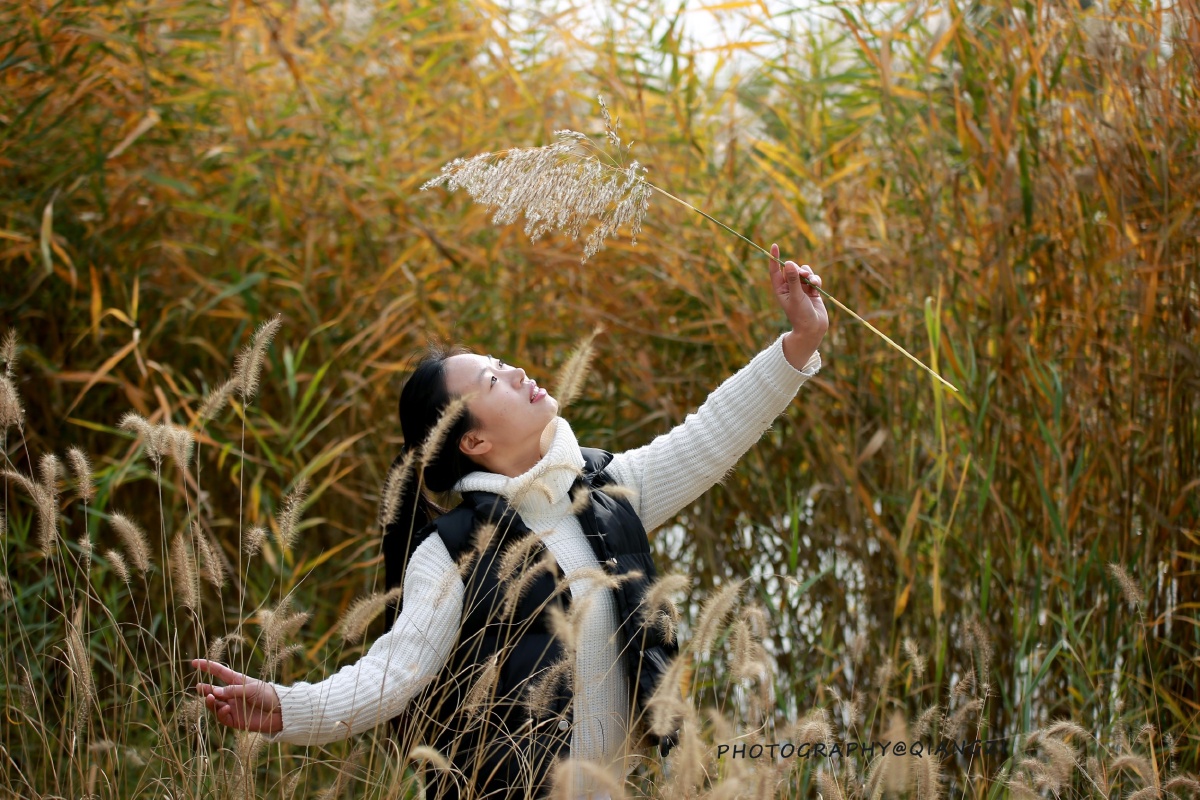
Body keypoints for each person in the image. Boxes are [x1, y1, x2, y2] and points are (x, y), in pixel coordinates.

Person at [193, 244, 828, 800]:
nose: (518, 372)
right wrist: (286, 707)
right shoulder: (452, 551)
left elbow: (710, 436)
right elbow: (392, 674)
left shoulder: (605, 491)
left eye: (500, 363)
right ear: (468, 441)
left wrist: (798, 341)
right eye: (493, 379)